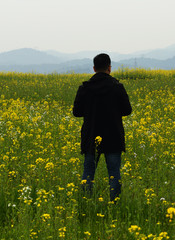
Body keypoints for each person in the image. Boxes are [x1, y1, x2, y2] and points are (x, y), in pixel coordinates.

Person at [73, 53, 132, 202]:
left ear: (94, 68)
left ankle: (86, 204)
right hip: (113, 137)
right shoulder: (117, 87)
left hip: (91, 136)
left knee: (88, 173)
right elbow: (127, 110)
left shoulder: (85, 88)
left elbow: (76, 112)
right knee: (114, 173)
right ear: (109, 68)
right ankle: (115, 203)